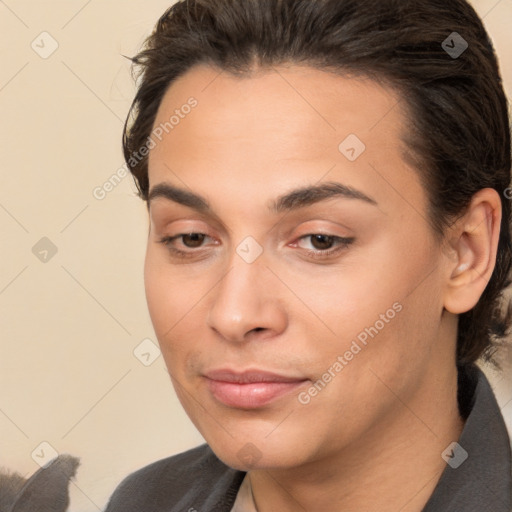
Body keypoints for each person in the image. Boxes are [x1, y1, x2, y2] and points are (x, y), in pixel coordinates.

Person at [105, 0, 512, 510]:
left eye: (320, 240)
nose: (234, 315)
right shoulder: (146, 502)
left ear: (467, 252)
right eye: (191, 238)